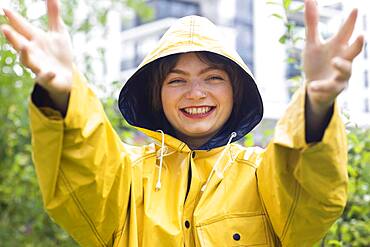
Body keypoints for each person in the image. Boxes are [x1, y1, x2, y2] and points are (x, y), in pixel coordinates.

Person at [1, 0, 364, 246]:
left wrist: (316, 104)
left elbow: (314, 198)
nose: (195, 93)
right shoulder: (126, 175)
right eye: (176, 81)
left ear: (236, 90)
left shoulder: (261, 173)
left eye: (213, 78)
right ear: (156, 94)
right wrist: (64, 95)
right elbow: (81, 170)